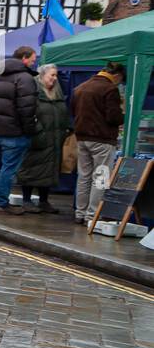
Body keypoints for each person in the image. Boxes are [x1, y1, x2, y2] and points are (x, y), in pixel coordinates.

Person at [0, 45, 39, 215]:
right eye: (32, 59)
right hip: (14, 133)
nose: (34, 62)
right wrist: (30, 130)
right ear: (24, 58)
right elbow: (27, 110)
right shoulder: (25, 79)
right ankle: (2, 201)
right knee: (8, 168)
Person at [70, 61, 125, 225]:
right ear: (117, 75)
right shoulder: (110, 89)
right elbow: (113, 117)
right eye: (120, 80)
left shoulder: (80, 87)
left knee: (84, 177)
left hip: (81, 138)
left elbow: (73, 111)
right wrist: (123, 116)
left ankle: (80, 213)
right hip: (102, 140)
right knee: (100, 178)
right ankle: (92, 215)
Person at [15, 64, 70, 214]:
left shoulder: (57, 92)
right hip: (36, 139)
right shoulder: (32, 90)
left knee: (49, 170)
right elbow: (26, 113)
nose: (55, 78)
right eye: (52, 75)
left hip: (54, 139)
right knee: (30, 169)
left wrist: (66, 129)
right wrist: (38, 132)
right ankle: (26, 200)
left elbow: (63, 112)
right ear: (42, 75)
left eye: (56, 75)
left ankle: (43, 201)